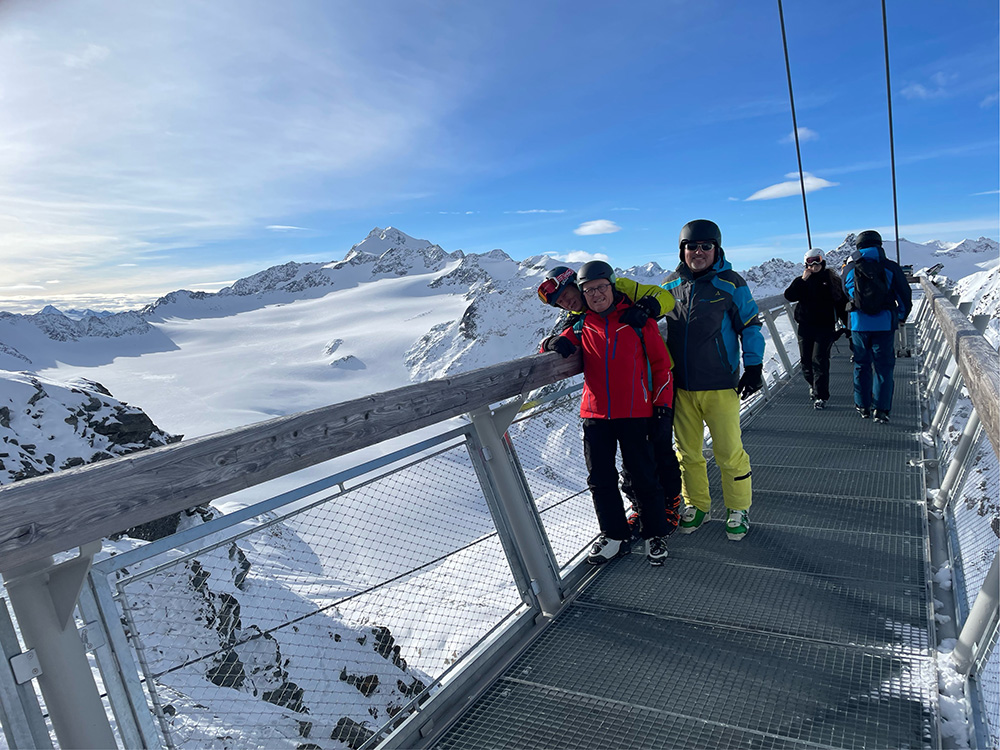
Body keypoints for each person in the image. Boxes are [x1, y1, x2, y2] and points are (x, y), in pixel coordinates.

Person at [540, 260, 674, 566]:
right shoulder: (580, 324)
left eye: (601, 287)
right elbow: (554, 346)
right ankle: (614, 535)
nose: (596, 294)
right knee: (600, 478)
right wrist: (551, 342)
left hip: (635, 412)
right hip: (596, 414)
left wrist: (662, 407)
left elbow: (661, 366)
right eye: (589, 290)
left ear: (612, 287)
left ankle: (655, 533)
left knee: (643, 474)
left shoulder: (638, 321)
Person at [661, 219, 765, 541]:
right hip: (681, 387)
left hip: (720, 384)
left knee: (729, 451)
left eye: (706, 246)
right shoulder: (669, 287)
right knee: (688, 452)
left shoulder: (731, 283)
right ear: (683, 250)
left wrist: (754, 366)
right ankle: (698, 505)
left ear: (716, 249)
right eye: (692, 246)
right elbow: (644, 316)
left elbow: (749, 324)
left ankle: (738, 508)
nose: (698, 252)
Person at [842, 230, 913, 423]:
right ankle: (881, 410)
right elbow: (904, 296)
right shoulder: (890, 267)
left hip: (858, 325)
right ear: (879, 245)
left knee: (861, 365)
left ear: (858, 247)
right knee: (884, 367)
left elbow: (847, 294)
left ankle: (862, 405)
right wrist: (900, 317)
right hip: (884, 324)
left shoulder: (849, 270)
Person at [783, 248, 848, 409]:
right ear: (806, 263)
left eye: (817, 260)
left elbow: (841, 304)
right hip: (805, 326)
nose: (815, 265)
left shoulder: (832, 280)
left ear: (823, 260)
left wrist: (848, 326)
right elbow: (789, 296)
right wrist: (802, 280)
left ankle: (821, 396)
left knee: (820, 360)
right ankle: (812, 385)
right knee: (806, 361)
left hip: (825, 327)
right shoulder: (802, 281)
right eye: (810, 261)